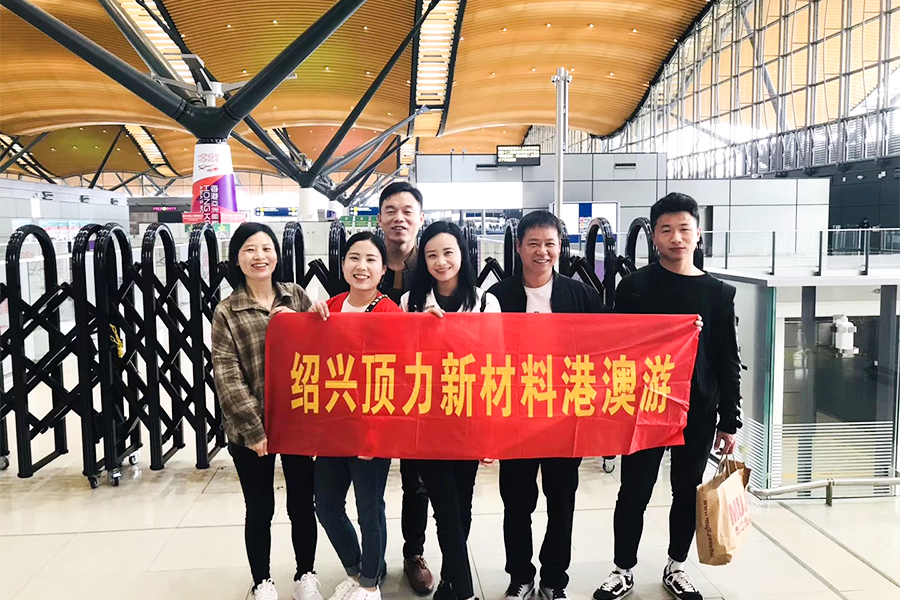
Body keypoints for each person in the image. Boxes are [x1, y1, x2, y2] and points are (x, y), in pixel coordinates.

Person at [594, 193, 742, 600]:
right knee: (634, 491)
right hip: (643, 406)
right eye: (666, 230)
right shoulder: (634, 287)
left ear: (698, 233)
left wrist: (730, 421)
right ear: (654, 237)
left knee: (687, 490)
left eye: (684, 229)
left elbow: (728, 359)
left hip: (697, 409)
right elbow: (616, 350)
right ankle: (622, 569)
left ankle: (677, 566)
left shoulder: (718, 293)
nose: (676, 238)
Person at [487, 211, 607, 600]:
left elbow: (605, 348)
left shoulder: (581, 295)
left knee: (561, 503)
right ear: (519, 247)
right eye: (533, 244)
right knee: (516, 504)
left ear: (560, 248)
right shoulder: (497, 297)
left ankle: (554, 579)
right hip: (516, 418)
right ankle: (520, 576)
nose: (542, 251)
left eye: (550, 244)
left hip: (564, 419)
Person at [211, 222, 321, 600]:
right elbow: (227, 375)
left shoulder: (296, 295)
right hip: (249, 429)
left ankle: (305, 574)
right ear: (237, 258)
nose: (259, 256)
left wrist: (316, 316)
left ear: (276, 254)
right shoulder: (227, 311)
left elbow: (318, 352)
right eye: (249, 249)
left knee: (302, 504)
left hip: (296, 422)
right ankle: (262, 581)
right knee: (259, 507)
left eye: (266, 248)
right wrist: (255, 429)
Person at [400, 221, 500, 600]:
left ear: (463, 255)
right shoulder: (410, 302)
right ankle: (465, 590)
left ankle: (450, 580)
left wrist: (491, 432)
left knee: (462, 503)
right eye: (431, 255)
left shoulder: (485, 302)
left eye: (448, 253)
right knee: (443, 505)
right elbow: (397, 360)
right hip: (427, 420)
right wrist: (420, 330)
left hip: (469, 417)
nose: (440, 262)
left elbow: (495, 365)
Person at [308, 231, 402, 600]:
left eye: (371, 260)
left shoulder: (391, 314)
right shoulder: (329, 307)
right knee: (327, 505)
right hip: (333, 428)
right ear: (343, 264)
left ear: (383, 270)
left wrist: (377, 435)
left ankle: (369, 584)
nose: (361, 267)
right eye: (354, 258)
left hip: (370, 431)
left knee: (369, 509)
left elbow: (398, 379)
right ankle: (358, 569)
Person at [377, 181, 434, 595]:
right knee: (369, 476)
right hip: (372, 385)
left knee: (417, 480)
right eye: (391, 210)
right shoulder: (366, 259)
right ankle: (371, 556)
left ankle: (414, 552)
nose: (399, 218)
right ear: (380, 218)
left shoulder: (433, 265)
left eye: (407, 211)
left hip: (419, 388)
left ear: (420, 218)